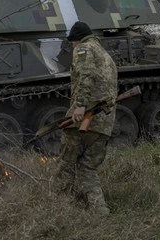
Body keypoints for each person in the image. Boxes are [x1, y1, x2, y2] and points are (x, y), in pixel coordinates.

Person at [56, 21, 118, 216]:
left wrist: (80, 105)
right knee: (88, 168)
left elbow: (86, 74)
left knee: (65, 165)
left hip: (83, 119)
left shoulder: (83, 48)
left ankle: (60, 210)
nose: (72, 46)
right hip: (104, 124)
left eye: (71, 43)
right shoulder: (105, 55)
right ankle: (100, 211)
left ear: (76, 40)